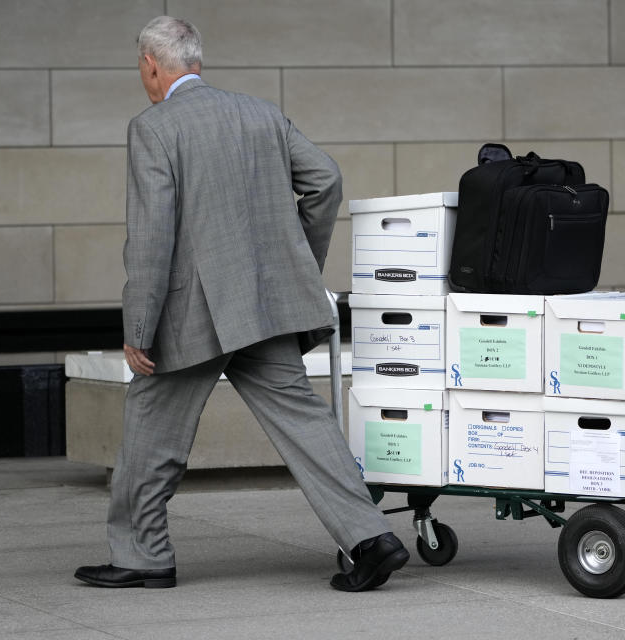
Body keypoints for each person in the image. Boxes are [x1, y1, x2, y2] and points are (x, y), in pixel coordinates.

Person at [74, 16, 408, 592]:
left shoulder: (154, 127)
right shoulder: (260, 113)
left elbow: (152, 236)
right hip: (265, 307)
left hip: (192, 318)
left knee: (151, 436)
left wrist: (139, 326)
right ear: (195, 61)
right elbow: (325, 179)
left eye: (141, 68)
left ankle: (143, 556)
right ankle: (371, 538)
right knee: (306, 425)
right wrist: (294, 259)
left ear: (152, 66)